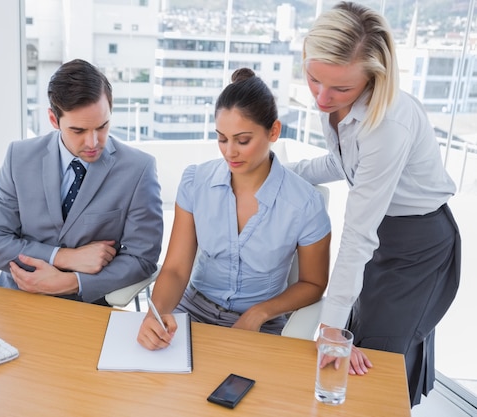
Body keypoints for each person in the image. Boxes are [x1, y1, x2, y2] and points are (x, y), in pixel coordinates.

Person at [287, 2, 461, 407]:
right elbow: (344, 163)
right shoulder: (335, 104)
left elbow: (358, 230)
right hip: (382, 234)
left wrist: (328, 326)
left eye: (340, 88)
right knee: (356, 346)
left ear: (373, 78)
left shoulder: (388, 125)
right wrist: (282, 171)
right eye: (313, 79)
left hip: (417, 244)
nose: (322, 97)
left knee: (375, 359)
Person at [137, 68, 331, 350]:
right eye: (222, 139)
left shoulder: (304, 204)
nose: (230, 152)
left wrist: (258, 313)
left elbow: (313, 283)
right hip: (192, 313)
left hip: (261, 324)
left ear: (273, 131)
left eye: (243, 140)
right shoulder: (195, 183)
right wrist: (155, 315)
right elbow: (177, 269)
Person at [0, 59, 163, 305]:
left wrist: (72, 281)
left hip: (85, 307)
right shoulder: (19, 157)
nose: (93, 142)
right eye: (78, 131)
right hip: (16, 297)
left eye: (103, 126)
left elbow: (142, 259)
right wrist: (64, 257)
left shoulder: (139, 169)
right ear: (54, 120)